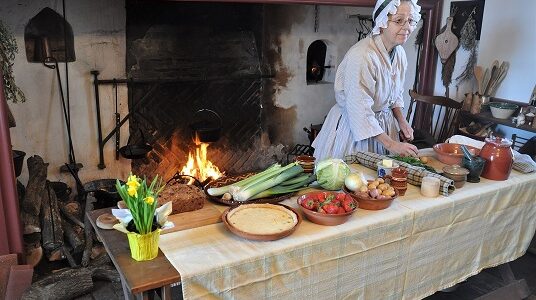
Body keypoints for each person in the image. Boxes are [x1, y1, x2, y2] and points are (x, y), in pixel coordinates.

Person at [312, 0, 421, 161]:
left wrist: (402, 121)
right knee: (353, 181)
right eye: (399, 21)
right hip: (354, 130)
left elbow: (394, 95)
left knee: (381, 183)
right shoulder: (362, 56)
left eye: (411, 21)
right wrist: (391, 145)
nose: (407, 27)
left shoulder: (399, 54)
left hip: (383, 127)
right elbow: (359, 110)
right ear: (383, 22)